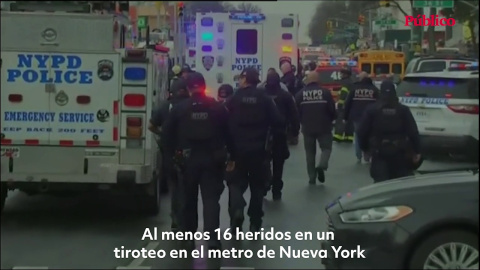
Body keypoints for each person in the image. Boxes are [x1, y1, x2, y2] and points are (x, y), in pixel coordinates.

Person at [162, 72, 232, 250]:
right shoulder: (217, 107)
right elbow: (229, 133)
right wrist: (232, 155)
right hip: (212, 159)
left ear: (188, 88)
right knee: (211, 200)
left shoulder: (179, 109)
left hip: (187, 160)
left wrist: (170, 159)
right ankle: (213, 239)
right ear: (203, 85)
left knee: (188, 200)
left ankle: (188, 239)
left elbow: (166, 136)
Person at [225, 67, 282, 232]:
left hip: (236, 150)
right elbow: (278, 120)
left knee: (234, 182)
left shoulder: (234, 98)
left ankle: (236, 209)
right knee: (257, 185)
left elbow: (222, 118)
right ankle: (255, 220)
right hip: (259, 150)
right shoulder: (265, 98)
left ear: (244, 79)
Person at [357, 81, 421, 182]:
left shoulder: (372, 110)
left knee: (381, 187)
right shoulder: (403, 110)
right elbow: (413, 132)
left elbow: (361, 132)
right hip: (399, 154)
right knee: (400, 185)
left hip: (379, 152)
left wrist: (365, 149)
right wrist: (417, 151)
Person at [148, 78, 190, 231]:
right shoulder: (191, 105)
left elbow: (151, 125)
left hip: (170, 153)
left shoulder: (165, 106)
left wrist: (162, 134)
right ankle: (187, 217)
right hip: (189, 153)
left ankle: (176, 218)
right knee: (188, 188)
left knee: (175, 188)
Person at [264, 72, 300, 200]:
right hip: (280, 133)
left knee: (264, 161)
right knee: (278, 164)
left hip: (263, 134)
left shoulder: (262, 95)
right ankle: (276, 190)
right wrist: (295, 132)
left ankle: (265, 182)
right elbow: (294, 114)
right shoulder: (285, 95)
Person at [295, 71, 336, 184]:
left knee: (310, 153)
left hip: (307, 128)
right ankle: (322, 165)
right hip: (324, 126)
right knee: (326, 148)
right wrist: (332, 119)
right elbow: (332, 109)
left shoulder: (300, 94)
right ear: (318, 80)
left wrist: (299, 123)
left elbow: (296, 112)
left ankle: (311, 177)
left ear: (307, 80)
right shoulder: (325, 93)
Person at [344, 72, 379, 163]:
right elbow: (379, 103)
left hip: (357, 116)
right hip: (371, 117)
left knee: (358, 135)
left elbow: (348, 103)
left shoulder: (354, 89)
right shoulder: (374, 89)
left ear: (360, 79)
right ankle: (367, 155)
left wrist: (345, 117)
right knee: (370, 135)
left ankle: (358, 155)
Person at [333, 68, 355, 143]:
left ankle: (338, 136)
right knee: (349, 121)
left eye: (342, 73)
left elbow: (344, 94)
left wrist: (340, 103)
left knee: (340, 120)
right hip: (350, 105)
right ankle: (349, 137)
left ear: (346, 74)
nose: (341, 75)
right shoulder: (351, 82)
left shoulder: (345, 83)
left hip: (343, 105)